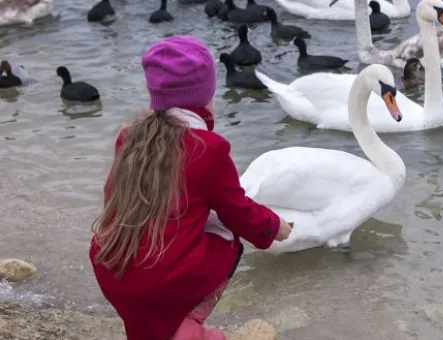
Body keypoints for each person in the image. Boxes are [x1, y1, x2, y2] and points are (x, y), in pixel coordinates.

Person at [89, 35, 293, 340]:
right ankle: (188, 328)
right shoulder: (208, 148)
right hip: (160, 278)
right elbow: (237, 211)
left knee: (159, 243)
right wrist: (274, 227)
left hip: (111, 267)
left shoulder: (128, 137)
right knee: (228, 234)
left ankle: (155, 330)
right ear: (204, 96)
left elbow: (112, 200)